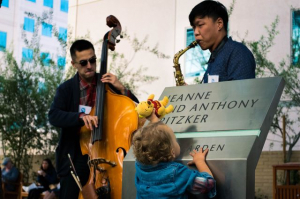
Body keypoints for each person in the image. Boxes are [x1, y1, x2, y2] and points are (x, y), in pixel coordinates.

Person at [48, 39, 139, 199]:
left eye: (92, 60)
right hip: (76, 154)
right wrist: (81, 117)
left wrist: (121, 88)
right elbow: (53, 115)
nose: (89, 65)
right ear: (74, 64)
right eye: (83, 62)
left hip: (108, 151)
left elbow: (135, 107)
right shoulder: (66, 89)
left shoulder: (108, 83)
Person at [132, 112, 216, 198]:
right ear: (172, 152)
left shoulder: (140, 165)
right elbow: (208, 184)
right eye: (175, 139)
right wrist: (200, 161)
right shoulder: (177, 174)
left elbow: (150, 139)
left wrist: (154, 119)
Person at [189, 0, 256, 83]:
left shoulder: (237, 52)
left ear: (219, 24)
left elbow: (242, 94)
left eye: (200, 25)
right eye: (194, 27)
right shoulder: (215, 56)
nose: (195, 32)